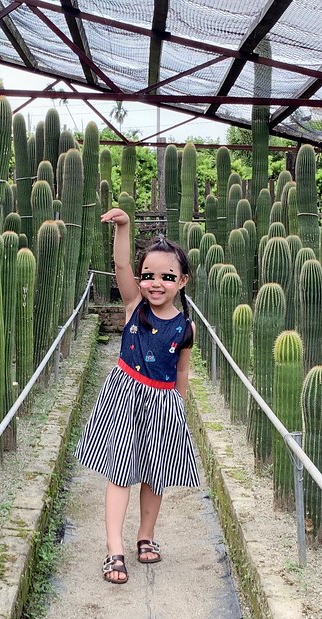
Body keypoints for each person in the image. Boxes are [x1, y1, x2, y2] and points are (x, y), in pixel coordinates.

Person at [74, 207, 200, 585]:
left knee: (156, 475)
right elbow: (121, 266)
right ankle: (115, 549)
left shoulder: (186, 327)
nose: (154, 283)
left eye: (166, 277)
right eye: (148, 276)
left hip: (164, 403)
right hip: (125, 396)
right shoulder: (134, 307)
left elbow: (181, 371)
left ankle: (146, 536)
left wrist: (179, 406)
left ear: (182, 281)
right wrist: (124, 227)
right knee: (120, 472)